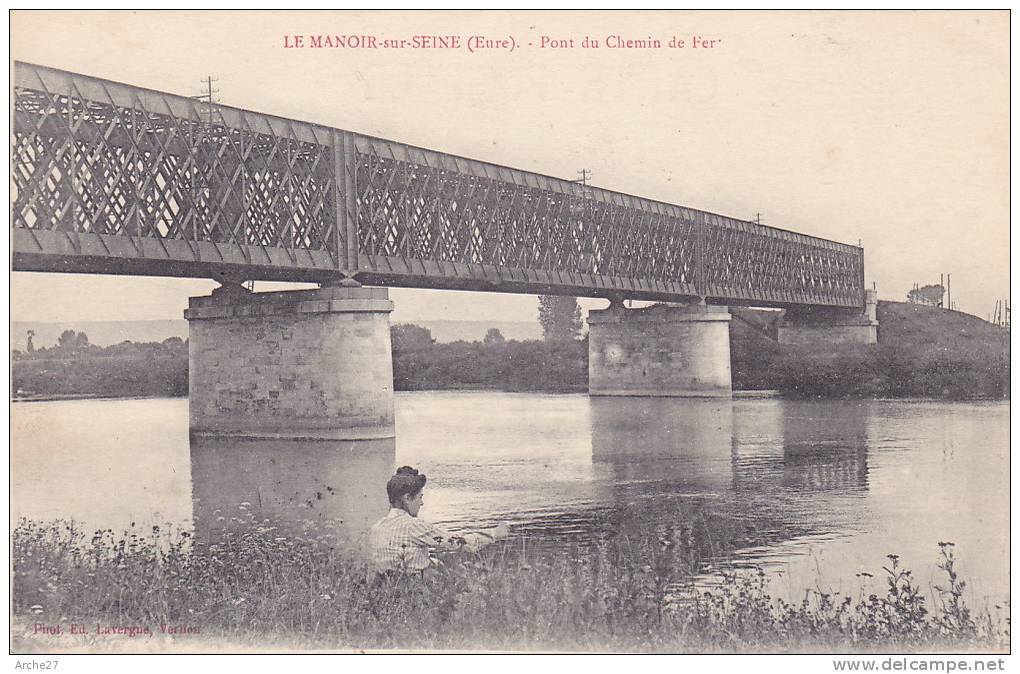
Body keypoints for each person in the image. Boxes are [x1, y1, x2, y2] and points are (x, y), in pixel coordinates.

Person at [368, 466, 508, 580]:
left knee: (436, 563)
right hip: (413, 593)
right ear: (407, 499)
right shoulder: (413, 526)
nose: (422, 503)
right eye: (419, 497)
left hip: (388, 592)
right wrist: (495, 533)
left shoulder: (377, 527)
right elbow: (460, 543)